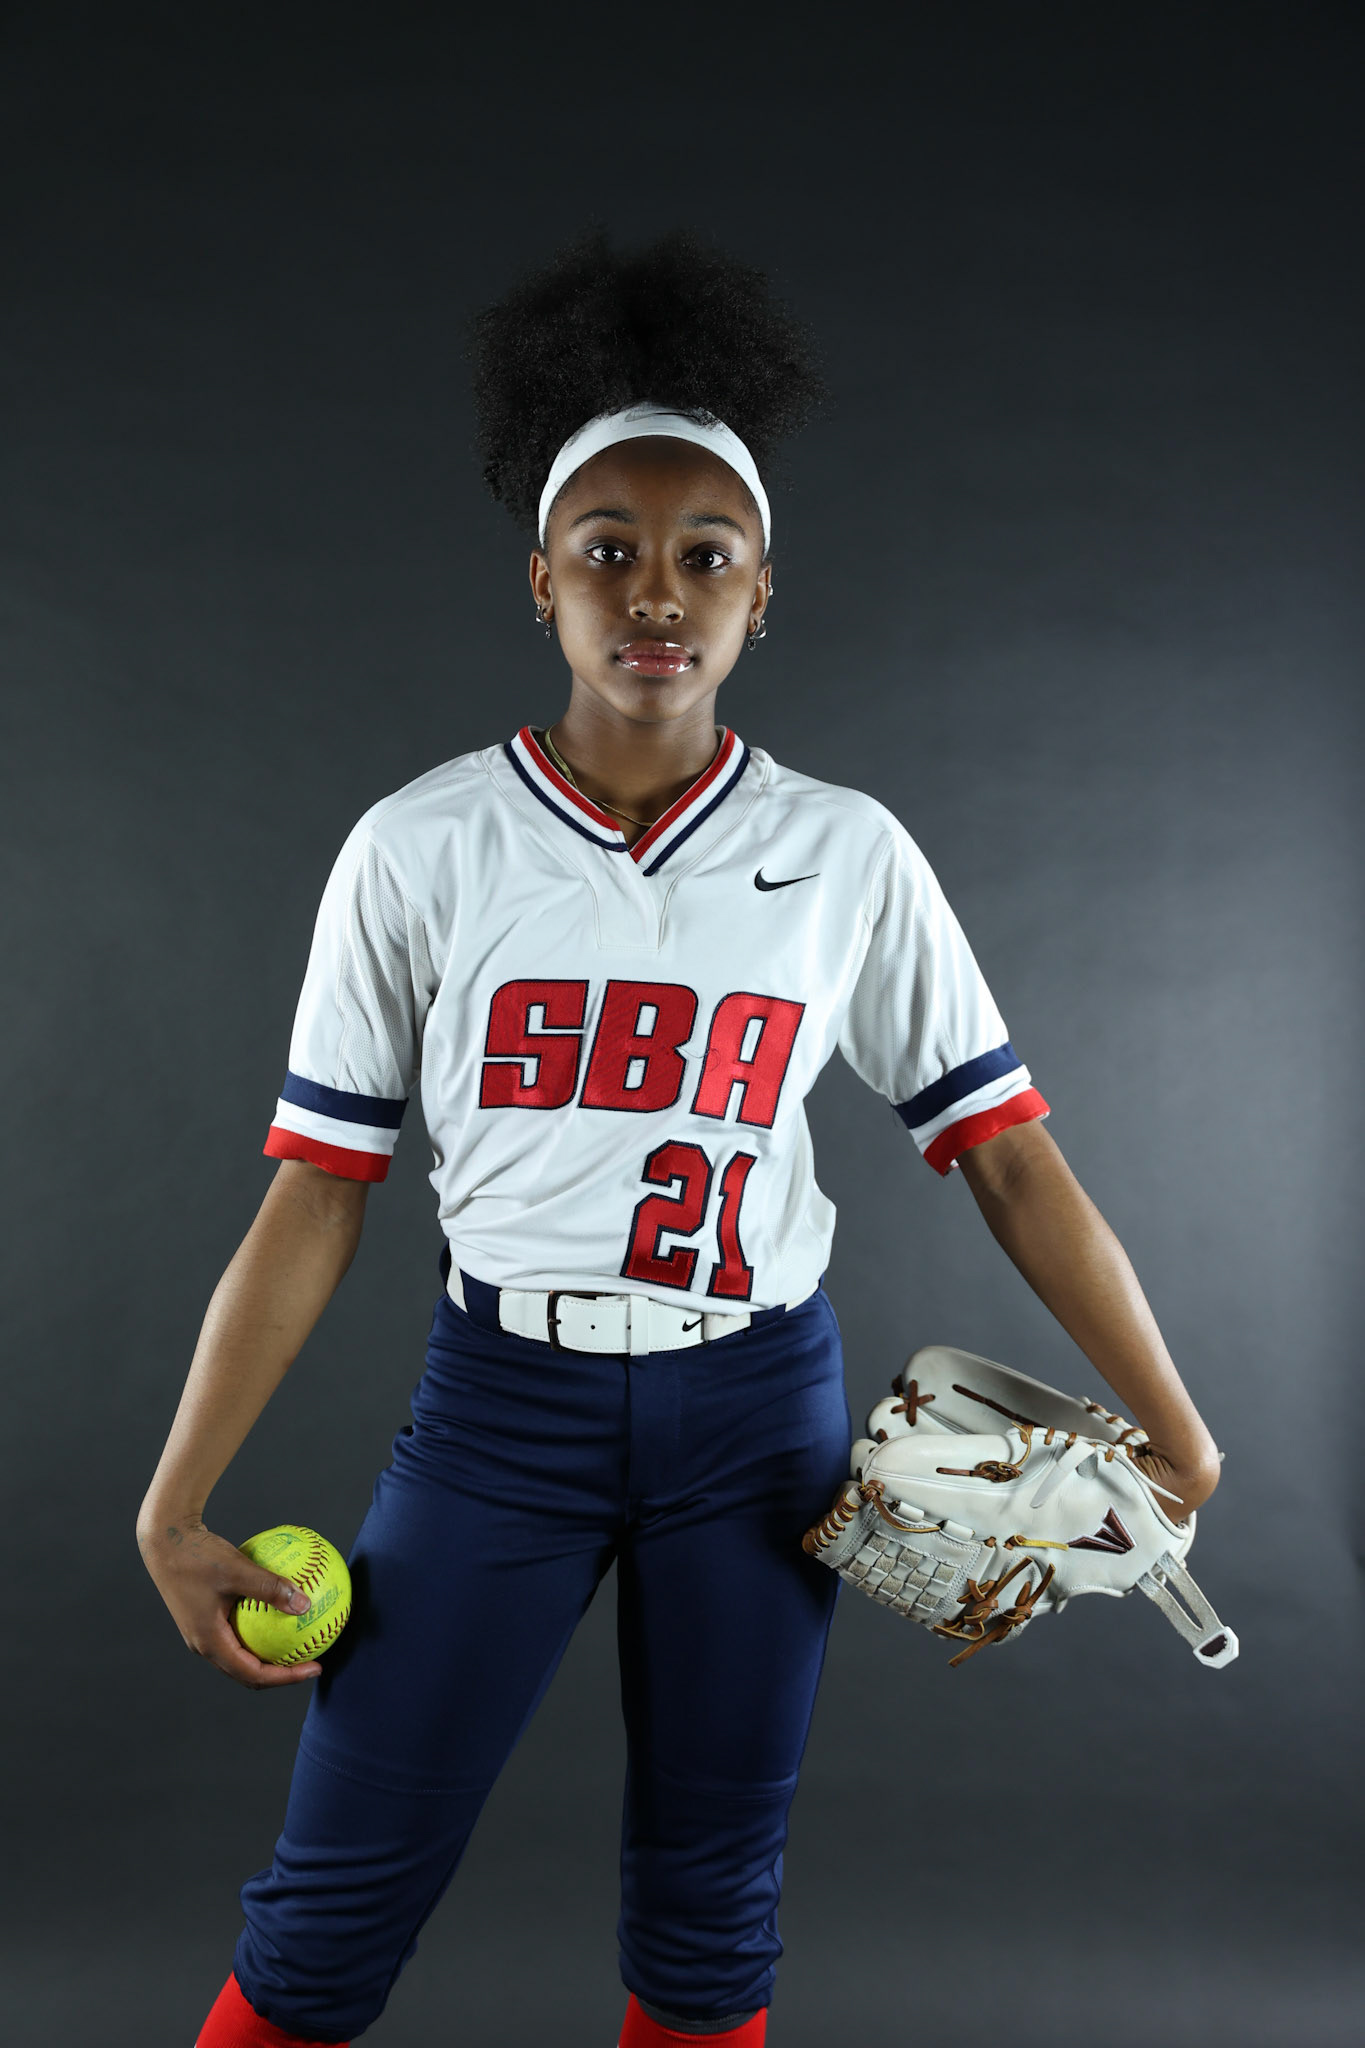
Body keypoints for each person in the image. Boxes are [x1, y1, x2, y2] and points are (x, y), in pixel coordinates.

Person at [137, 229, 1221, 2048]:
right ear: (540, 582)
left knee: (714, 1910)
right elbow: (316, 1191)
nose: (656, 592)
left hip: (757, 1415)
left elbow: (1009, 1156)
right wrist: (174, 1502)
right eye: (607, 551)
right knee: (334, 1895)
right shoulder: (420, 845)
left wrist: (1173, 1425)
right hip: (502, 1412)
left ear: (761, 593)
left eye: (704, 555)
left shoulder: (845, 851)